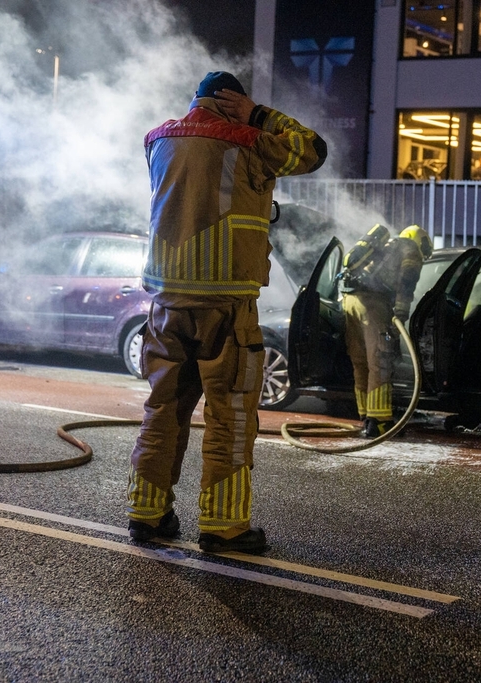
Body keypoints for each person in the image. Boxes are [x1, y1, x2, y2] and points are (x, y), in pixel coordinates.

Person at [126, 71, 327, 554]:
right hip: (226, 304)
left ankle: (147, 513)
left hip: (166, 303)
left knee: (163, 410)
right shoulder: (249, 140)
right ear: (230, 100)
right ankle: (224, 525)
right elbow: (313, 149)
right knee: (230, 415)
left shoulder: (157, 140)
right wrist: (258, 114)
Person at [340, 224, 433, 438]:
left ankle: (365, 417)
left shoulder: (386, 247)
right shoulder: (410, 250)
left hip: (350, 300)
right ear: (422, 241)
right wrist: (401, 312)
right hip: (373, 304)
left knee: (361, 362)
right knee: (380, 362)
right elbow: (407, 281)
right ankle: (380, 423)